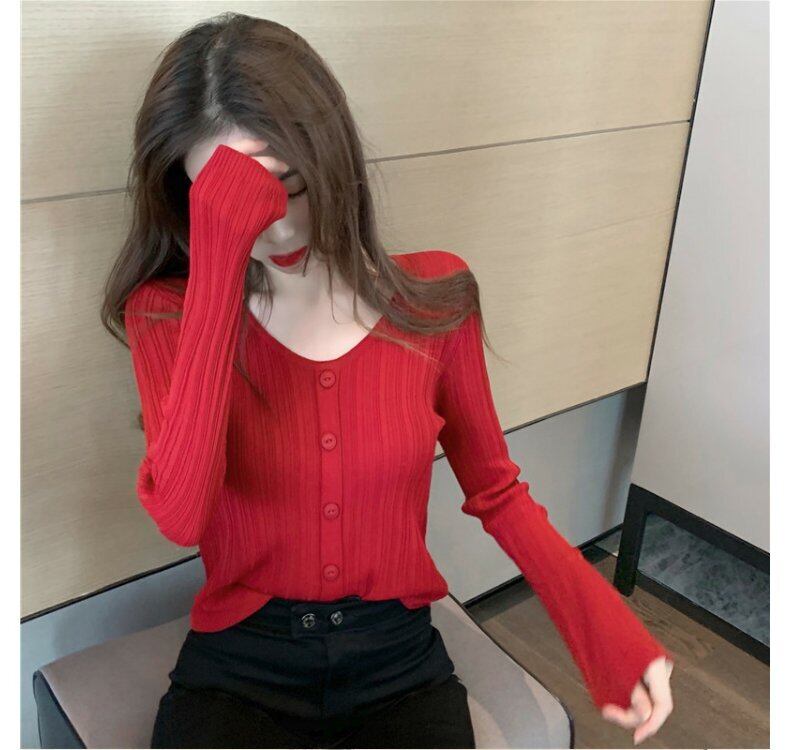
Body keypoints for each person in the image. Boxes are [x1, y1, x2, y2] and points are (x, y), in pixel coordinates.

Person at [102, 12, 674, 749]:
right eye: (228, 204)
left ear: (329, 156)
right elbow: (182, 515)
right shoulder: (165, 315)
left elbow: (497, 491)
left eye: (289, 186)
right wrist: (218, 263)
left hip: (395, 662)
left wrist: (607, 634)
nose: (276, 229)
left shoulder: (436, 301)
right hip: (240, 665)